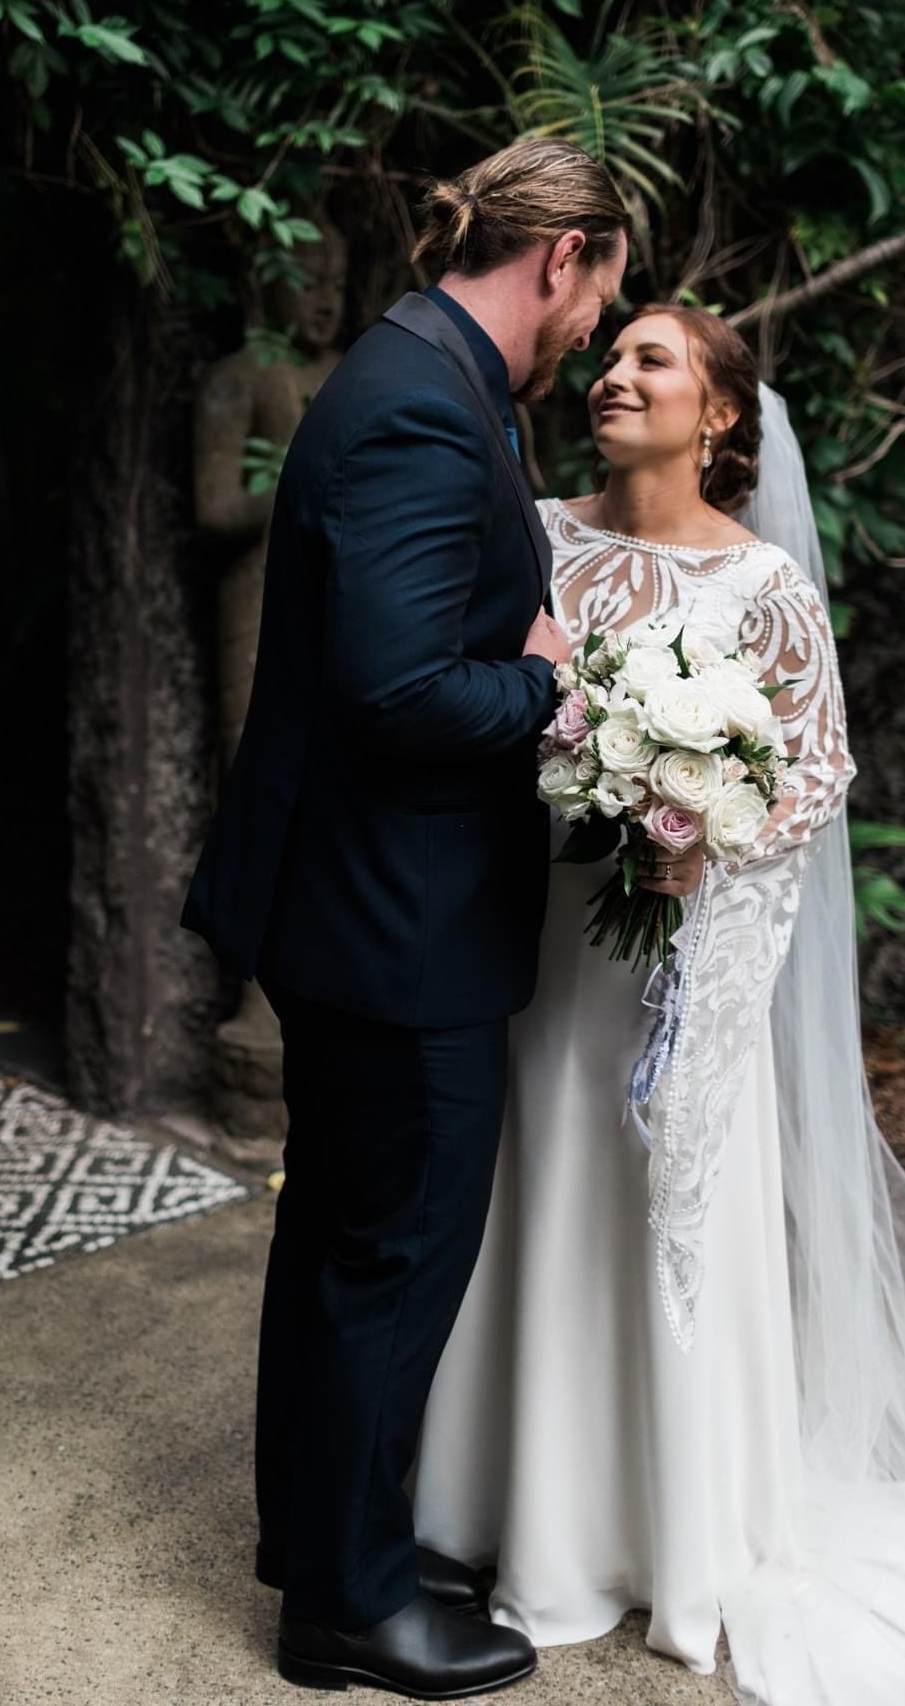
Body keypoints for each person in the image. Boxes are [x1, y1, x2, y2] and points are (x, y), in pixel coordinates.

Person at [413, 304, 905, 1705]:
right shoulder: (531, 537)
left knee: (651, 1192)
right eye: (610, 356)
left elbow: (816, 772)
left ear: (720, 413)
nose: (613, 376)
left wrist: (702, 829)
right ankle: (493, 1513)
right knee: (523, 1185)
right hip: (528, 938)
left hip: (669, 955)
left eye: (651, 361)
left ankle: (661, 1531)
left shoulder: (764, 585)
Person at [180, 137, 630, 1697]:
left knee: (338, 1237)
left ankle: (325, 1545)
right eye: (602, 291)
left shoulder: (425, 374)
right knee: (389, 1254)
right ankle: (349, 1610)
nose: (595, 326)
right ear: (560, 256)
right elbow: (395, 690)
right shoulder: (424, 410)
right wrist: (549, 684)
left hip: (363, 904)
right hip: (395, 924)